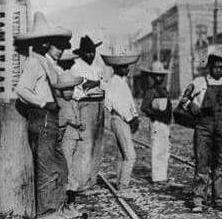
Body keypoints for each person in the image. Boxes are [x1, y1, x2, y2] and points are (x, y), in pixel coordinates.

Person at [14, 12, 79, 219]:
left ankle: (57, 207)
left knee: (58, 164)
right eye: (55, 45)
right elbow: (21, 89)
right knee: (47, 166)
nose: (59, 50)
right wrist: (42, 102)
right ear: (43, 44)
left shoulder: (45, 63)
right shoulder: (35, 63)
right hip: (42, 117)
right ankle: (46, 212)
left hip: (50, 117)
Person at [180, 46, 222, 212]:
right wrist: (192, 106)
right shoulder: (199, 83)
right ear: (210, 67)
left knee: (221, 165)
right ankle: (198, 199)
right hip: (203, 129)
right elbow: (183, 99)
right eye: (215, 67)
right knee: (202, 163)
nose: (218, 70)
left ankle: (220, 199)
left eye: (221, 67)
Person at [70, 35, 106, 195]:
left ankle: (91, 181)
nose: (91, 55)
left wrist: (98, 84)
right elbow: (82, 87)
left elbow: (103, 85)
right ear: (82, 53)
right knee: (86, 145)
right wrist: (96, 84)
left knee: (97, 144)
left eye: (93, 52)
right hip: (85, 105)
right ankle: (81, 184)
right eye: (88, 52)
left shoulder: (96, 67)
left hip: (99, 104)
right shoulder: (76, 67)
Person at [102, 54, 139, 198]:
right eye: (124, 67)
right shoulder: (114, 82)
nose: (127, 69)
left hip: (124, 119)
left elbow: (129, 102)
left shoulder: (122, 82)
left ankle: (120, 184)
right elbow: (112, 104)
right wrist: (129, 118)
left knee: (123, 154)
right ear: (117, 68)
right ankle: (123, 188)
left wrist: (134, 115)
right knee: (130, 155)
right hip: (120, 119)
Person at [139, 60, 172, 185]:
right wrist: (157, 114)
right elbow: (144, 107)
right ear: (152, 77)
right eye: (157, 75)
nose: (159, 77)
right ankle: (157, 177)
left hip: (165, 123)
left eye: (161, 75)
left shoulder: (164, 89)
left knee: (165, 149)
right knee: (157, 149)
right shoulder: (151, 91)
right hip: (157, 123)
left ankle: (163, 175)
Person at [55, 72, 84, 204]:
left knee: (72, 163)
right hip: (66, 137)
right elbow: (69, 118)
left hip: (74, 137)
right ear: (60, 91)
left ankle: (71, 190)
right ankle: (69, 191)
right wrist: (78, 123)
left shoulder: (73, 102)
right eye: (66, 89)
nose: (69, 92)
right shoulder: (61, 103)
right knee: (67, 164)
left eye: (71, 89)